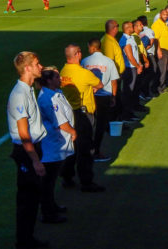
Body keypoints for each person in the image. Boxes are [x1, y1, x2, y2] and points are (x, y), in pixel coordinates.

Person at [7, 51, 48, 249]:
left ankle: (28, 239)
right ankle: (24, 242)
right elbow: (24, 134)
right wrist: (35, 160)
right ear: (27, 68)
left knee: (33, 197)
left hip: (32, 150)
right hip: (26, 153)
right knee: (27, 199)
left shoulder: (28, 90)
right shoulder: (19, 94)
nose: (41, 67)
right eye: (38, 64)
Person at [60, 44, 105, 192]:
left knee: (71, 147)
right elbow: (100, 83)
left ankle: (67, 177)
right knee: (85, 149)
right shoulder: (84, 73)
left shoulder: (64, 71)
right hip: (83, 113)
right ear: (78, 54)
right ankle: (86, 181)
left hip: (68, 113)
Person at [36, 67, 75, 224]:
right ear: (49, 80)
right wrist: (73, 131)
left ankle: (52, 206)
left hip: (57, 143)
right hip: (52, 145)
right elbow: (60, 122)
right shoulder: (48, 98)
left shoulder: (54, 93)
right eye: (57, 77)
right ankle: (48, 213)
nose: (60, 79)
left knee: (51, 181)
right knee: (48, 181)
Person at [81, 38, 119, 161]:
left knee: (89, 124)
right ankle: (96, 151)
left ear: (92, 48)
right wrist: (113, 96)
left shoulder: (84, 61)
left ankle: (87, 150)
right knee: (100, 126)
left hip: (89, 97)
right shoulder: (109, 61)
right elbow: (114, 82)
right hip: (104, 97)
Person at [119, 21, 144, 121]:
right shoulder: (125, 40)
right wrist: (138, 66)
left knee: (133, 90)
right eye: (132, 26)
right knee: (128, 91)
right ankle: (126, 114)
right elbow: (129, 56)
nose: (134, 27)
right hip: (129, 68)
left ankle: (131, 110)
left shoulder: (130, 38)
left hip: (133, 67)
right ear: (128, 28)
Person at [151, 9, 168, 94]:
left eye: (167, 14)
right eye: (164, 14)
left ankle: (162, 85)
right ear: (160, 15)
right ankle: (159, 87)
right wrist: (158, 50)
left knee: (165, 68)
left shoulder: (164, 23)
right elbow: (156, 39)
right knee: (162, 69)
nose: (166, 16)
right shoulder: (157, 25)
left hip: (167, 50)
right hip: (162, 50)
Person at [138, 15, 159, 96]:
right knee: (152, 72)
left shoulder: (137, 32)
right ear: (146, 21)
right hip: (149, 54)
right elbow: (151, 43)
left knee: (145, 74)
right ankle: (146, 91)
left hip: (142, 55)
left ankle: (144, 91)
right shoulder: (149, 31)